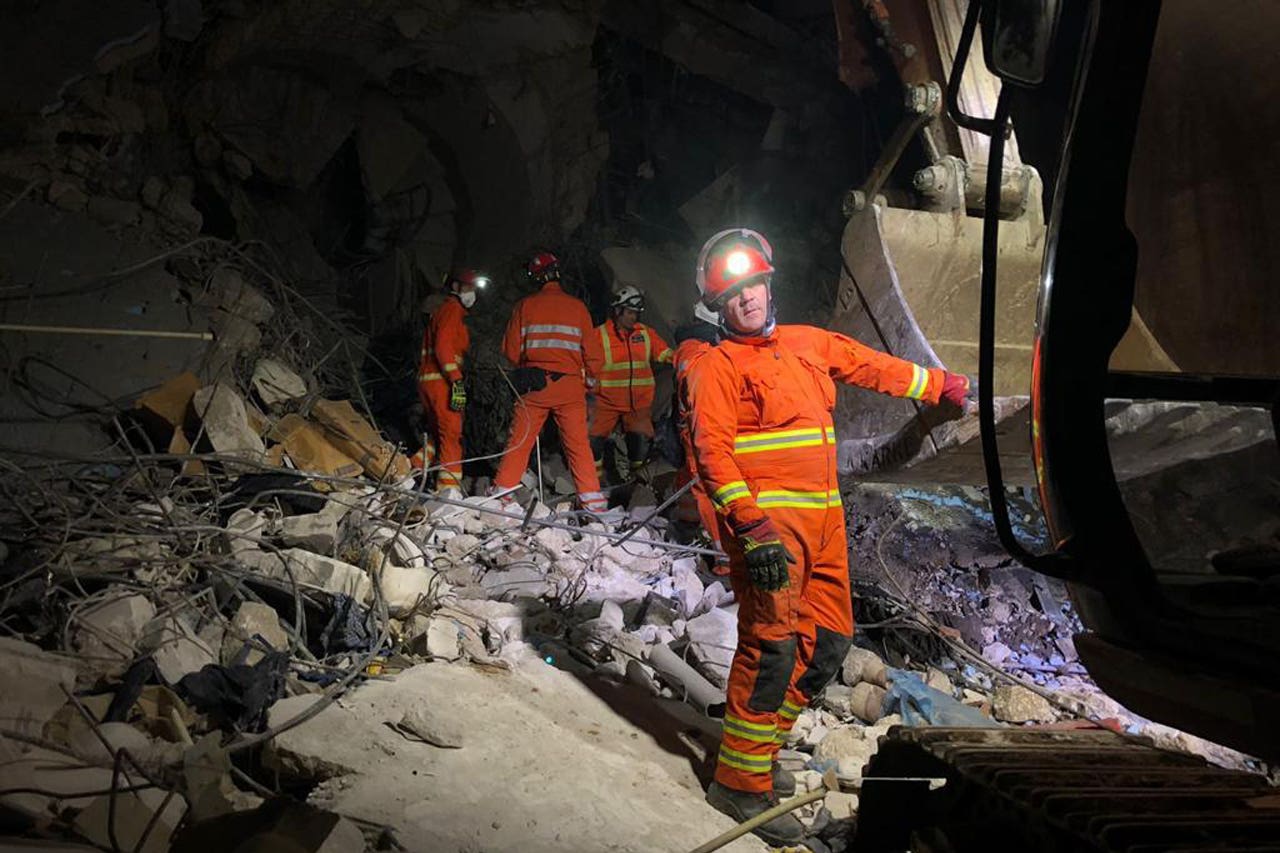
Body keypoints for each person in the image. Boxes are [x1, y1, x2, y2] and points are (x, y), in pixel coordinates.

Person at [686, 228, 972, 846]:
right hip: (771, 534)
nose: (746, 300)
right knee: (772, 652)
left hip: (825, 524)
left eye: (752, 286)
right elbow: (711, 455)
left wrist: (938, 387)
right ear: (719, 308)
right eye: (731, 295)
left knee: (830, 647)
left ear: (768, 284)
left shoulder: (808, 344)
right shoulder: (715, 368)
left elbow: (871, 366)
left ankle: (760, 758)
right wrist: (750, 527)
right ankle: (738, 781)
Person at [492, 252, 608, 514]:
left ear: (536, 278)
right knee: (578, 445)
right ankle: (592, 501)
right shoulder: (577, 307)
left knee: (520, 441)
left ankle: (502, 495)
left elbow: (510, 351)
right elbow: (594, 354)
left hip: (534, 386)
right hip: (569, 387)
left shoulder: (525, 306)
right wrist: (589, 381)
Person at [587, 285, 673, 487]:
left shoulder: (645, 333)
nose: (633, 317)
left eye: (636, 313)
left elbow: (664, 353)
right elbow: (586, 366)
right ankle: (594, 484)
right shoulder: (598, 335)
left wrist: (684, 358)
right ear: (617, 311)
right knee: (593, 441)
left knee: (641, 446)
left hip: (639, 404)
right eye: (630, 313)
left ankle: (639, 486)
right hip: (606, 402)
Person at [416, 268, 488, 497]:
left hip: (430, 381)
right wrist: (456, 380)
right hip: (441, 382)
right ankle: (448, 493)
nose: (472, 293)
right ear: (455, 287)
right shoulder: (452, 310)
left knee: (436, 435)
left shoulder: (444, 311)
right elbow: (443, 348)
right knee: (451, 435)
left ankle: (408, 471)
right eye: (469, 288)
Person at [669, 301, 728, 573]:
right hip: (701, 431)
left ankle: (687, 526)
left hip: (706, 429)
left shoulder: (699, 349)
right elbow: (699, 396)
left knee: (698, 484)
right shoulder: (695, 352)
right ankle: (724, 556)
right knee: (708, 488)